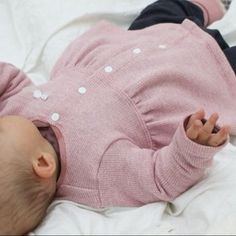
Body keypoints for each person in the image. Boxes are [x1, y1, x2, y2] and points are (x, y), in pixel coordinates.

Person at [0, 0, 236, 234]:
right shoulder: (98, 171)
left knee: (165, 9)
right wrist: (192, 146)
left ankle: (214, 5)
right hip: (189, 77)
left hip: (141, 38)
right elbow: (159, 177)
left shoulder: (14, 112)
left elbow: (8, 80)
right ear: (42, 163)